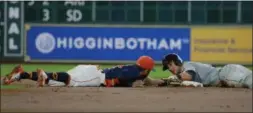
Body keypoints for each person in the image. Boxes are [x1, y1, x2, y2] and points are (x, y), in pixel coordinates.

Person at [2, 55, 155, 87]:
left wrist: (163, 82)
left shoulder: (134, 69)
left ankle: (21, 74)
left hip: (90, 70)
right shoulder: (134, 73)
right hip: (95, 77)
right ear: (146, 70)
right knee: (68, 80)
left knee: (55, 82)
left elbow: (145, 80)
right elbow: (125, 77)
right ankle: (43, 75)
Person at [161, 53, 252, 89]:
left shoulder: (187, 65)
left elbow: (189, 75)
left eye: (170, 65)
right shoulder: (182, 71)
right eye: (167, 67)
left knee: (250, 82)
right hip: (225, 79)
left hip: (227, 73)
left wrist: (175, 78)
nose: (169, 69)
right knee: (247, 86)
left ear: (177, 62)